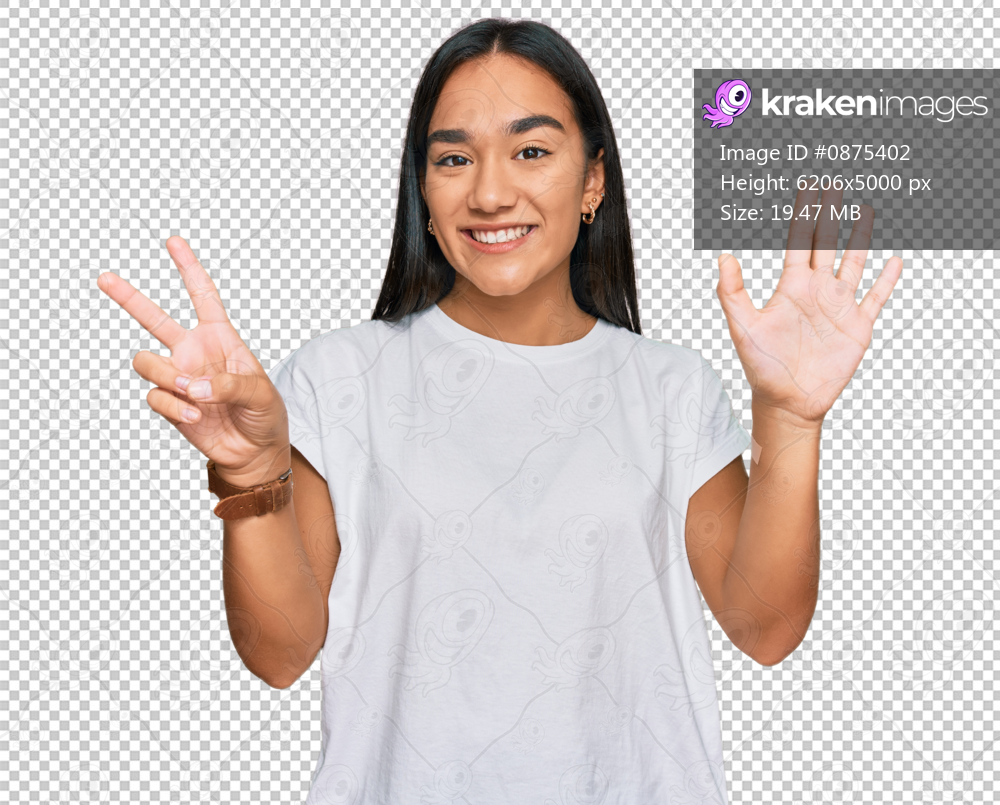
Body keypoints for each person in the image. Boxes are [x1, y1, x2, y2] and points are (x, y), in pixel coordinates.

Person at [96, 17, 902, 805]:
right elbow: (279, 652)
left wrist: (791, 421)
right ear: (423, 186)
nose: (488, 192)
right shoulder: (340, 377)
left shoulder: (672, 389)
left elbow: (764, 628)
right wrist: (248, 472)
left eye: (531, 150)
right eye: (454, 158)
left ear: (593, 181)